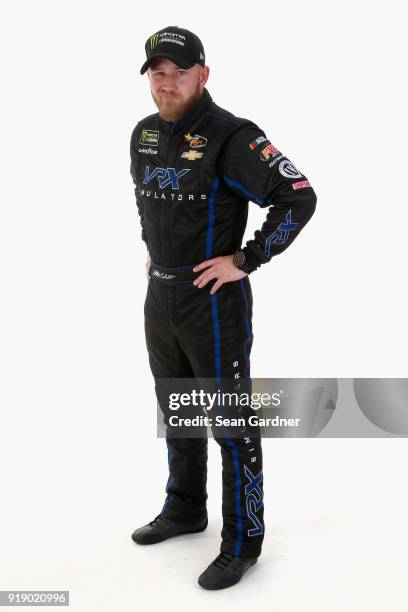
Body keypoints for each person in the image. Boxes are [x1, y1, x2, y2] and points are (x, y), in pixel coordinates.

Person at [130, 26, 317, 590]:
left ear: (203, 75)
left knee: (231, 424)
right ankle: (185, 509)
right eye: (157, 73)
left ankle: (242, 542)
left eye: (179, 72)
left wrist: (248, 257)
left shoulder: (232, 135)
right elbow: (147, 203)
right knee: (178, 410)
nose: (167, 84)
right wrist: (153, 252)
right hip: (160, 297)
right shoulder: (141, 134)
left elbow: (299, 195)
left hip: (213, 303)